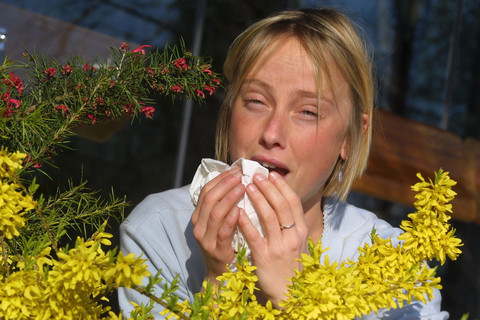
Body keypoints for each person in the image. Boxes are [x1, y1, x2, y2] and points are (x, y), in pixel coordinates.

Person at [118, 8, 449, 319]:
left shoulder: (396, 265)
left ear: (349, 137)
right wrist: (219, 282)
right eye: (256, 101)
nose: (272, 133)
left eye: (308, 111)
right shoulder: (160, 230)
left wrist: (294, 301)